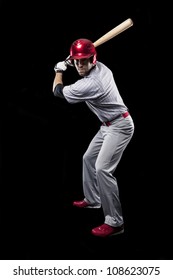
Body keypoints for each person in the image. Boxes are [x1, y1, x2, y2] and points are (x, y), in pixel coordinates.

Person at [52, 38, 135, 237]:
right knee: (88, 158)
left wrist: (59, 70)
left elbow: (57, 91)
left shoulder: (91, 83)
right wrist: (73, 60)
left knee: (102, 169)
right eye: (77, 61)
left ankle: (115, 222)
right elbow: (81, 65)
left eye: (85, 60)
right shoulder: (102, 68)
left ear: (93, 60)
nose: (81, 65)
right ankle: (93, 199)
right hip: (107, 125)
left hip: (120, 126)